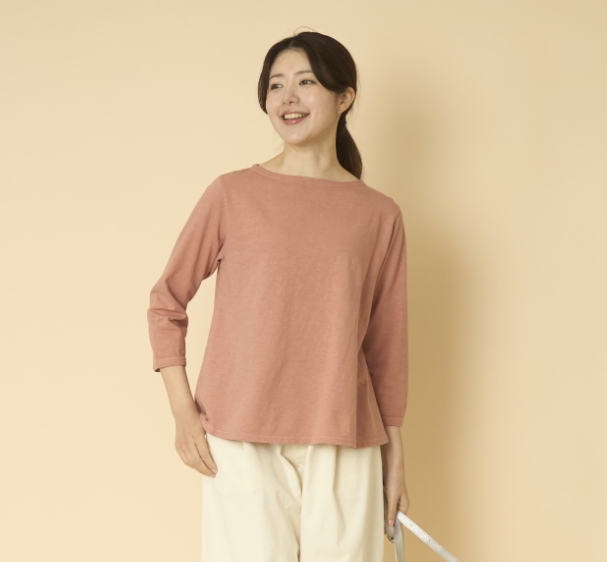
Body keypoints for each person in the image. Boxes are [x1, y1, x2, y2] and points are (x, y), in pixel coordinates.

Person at [147, 30, 410, 562]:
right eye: (275, 85)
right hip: (240, 434)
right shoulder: (232, 194)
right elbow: (166, 302)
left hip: (345, 436)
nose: (288, 97)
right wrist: (183, 412)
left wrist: (395, 456)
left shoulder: (378, 214)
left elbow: (386, 347)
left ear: (344, 97)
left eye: (306, 82)